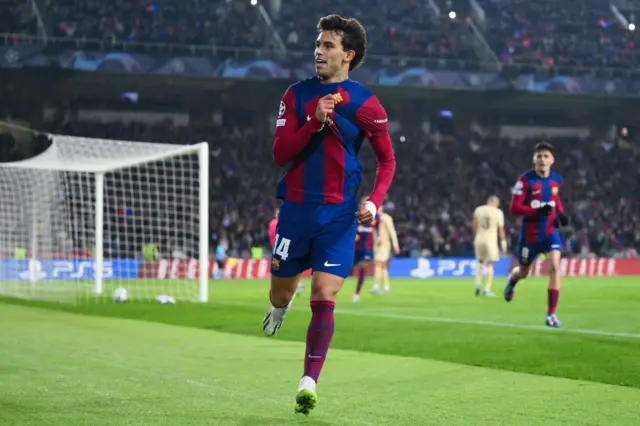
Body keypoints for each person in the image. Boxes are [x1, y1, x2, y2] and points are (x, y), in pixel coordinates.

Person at [263, 14, 396, 416]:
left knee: (325, 294)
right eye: (318, 44)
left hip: (339, 214)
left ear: (348, 55)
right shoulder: (296, 94)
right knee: (281, 292)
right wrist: (312, 122)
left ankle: (308, 382)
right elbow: (280, 155)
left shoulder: (367, 103)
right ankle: (281, 305)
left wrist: (374, 201)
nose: (318, 51)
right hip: (296, 212)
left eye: (328, 46)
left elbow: (387, 161)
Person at [504, 142, 569, 327]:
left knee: (555, 266)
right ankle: (512, 280)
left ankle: (551, 314)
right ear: (534, 159)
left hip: (550, 233)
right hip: (530, 236)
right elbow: (514, 208)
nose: (542, 159)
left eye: (546, 156)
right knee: (524, 271)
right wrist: (538, 212)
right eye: (539, 156)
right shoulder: (525, 180)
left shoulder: (556, 179)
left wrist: (561, 215)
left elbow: (555, 199)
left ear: (552, 160)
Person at [472, 195, 507, 297]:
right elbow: (500, 228)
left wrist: (475, 236)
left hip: (479, 239)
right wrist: (503, 242)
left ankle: (478, 284)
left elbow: (474, 225)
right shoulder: (498, 212)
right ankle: (487, 289)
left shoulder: (478, 210)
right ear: (495, 202)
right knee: (490, 264)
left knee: (480, 261)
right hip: (491, 240)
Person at [269, 208, 304, 295]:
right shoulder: (285, 222)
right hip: (284, 249)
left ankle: (292, 286)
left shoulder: (274, 223)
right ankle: (294, 285)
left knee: (279, 268)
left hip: (279, 249)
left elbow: (272, 236)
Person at [370, 204, 399, 294]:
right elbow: (373, 233)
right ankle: (386, 287)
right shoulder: (373, 220)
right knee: (382, 267)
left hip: (384, 246)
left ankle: (376, 286)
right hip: (376, 246)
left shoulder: (386, 218)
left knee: (379, 265)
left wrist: (395, 244)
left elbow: (392, 232)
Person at [352, 196, 376, 303]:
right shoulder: (356, 216)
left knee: (363, 269)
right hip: (355, 247)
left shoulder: (375, 216)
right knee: (344, 270)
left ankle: (357, 293)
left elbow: (379, 222)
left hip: (366, 248)